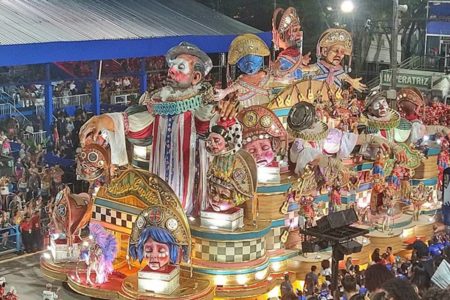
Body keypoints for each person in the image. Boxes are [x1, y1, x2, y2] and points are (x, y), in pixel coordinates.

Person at [79, 42, 237, 216]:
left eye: (180, 67)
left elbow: (212, 128)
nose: (171, 71)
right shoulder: (157, 104)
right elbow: (128, 122)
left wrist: (224, 117)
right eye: (171, 66)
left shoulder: (207, 105)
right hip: (158, 190)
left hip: (194, 193)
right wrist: (99, 121)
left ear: (196, 77)